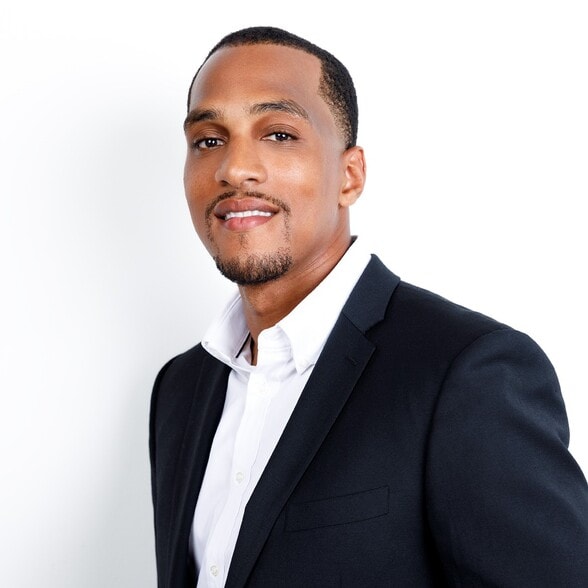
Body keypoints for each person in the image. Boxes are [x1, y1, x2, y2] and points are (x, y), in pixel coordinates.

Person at [149, 26, 588, 587]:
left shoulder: (466, 373)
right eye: (208, 141)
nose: (235, 169)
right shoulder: (180, 389)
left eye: (279, 134)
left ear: (350, 176)